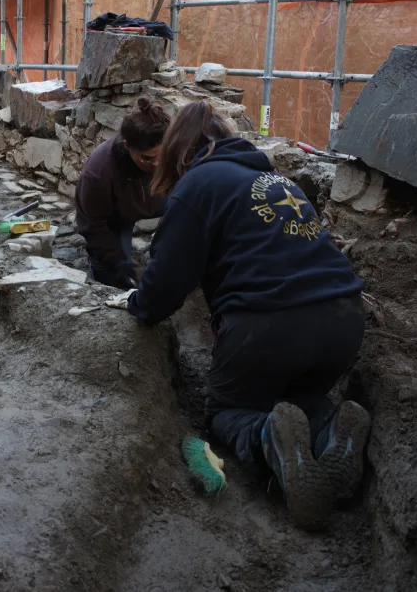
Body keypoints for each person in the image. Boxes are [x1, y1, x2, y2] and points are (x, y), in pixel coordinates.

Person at [126, 101, 369, 529]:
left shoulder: (198, 184)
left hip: (268, 324)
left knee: (226, 410)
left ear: (179, 148)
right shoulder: (278, 180)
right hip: (344, 321)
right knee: (296, 397)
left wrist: (138, 305)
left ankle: (268, 442)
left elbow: (165, 283)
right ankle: (331, 428)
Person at [75, 96, 169, 289]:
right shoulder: (98, 172)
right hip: (114, 218)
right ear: (127, 146)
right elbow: (94, 226)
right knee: (114, 276)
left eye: (162, 155)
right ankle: (100, 271)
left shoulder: (173, 150)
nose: (158, 164)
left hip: (158, 201)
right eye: (147, 158)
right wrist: (118, 262)